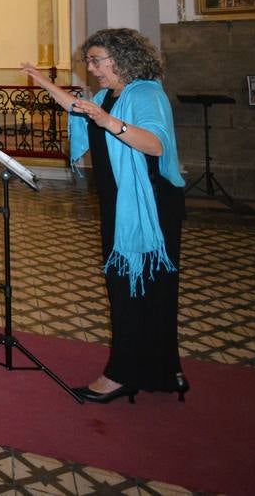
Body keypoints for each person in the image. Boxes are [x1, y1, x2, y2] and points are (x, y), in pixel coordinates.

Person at [22, 29, 187, 404]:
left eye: (98, 60)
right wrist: (46, 84)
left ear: (123, 58)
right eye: (90, 61)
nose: (92, 68)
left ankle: (123, 374)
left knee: (140, 288)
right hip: (121, 203)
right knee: (126, 285)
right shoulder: (110, 95)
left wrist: (110, 122)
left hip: (150, 204)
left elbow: (155, 142)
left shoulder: (145, 93)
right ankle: (149, 370)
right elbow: (81, 109)